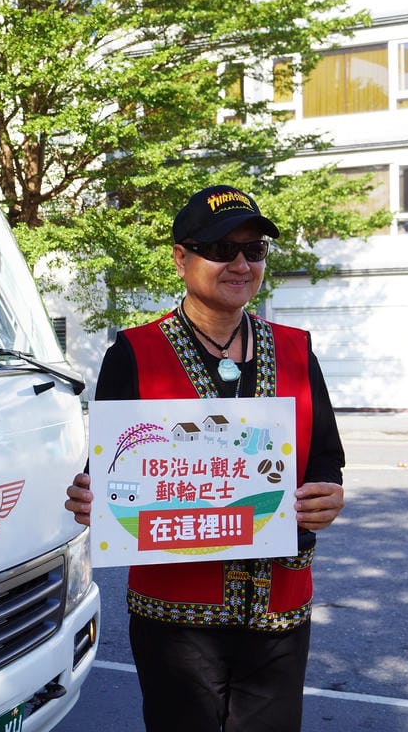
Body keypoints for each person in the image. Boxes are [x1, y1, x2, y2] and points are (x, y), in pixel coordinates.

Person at [64, 185, 345, 732]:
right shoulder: (135, 353)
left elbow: (324, 464)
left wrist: (326, 498)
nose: (241, 263)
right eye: (221, 249)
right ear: (181, 257)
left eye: (254, 250)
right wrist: (90, 498)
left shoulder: (294, 349)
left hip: (278, 604)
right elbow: (109, 476)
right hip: (177, 614)